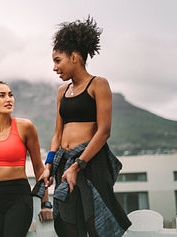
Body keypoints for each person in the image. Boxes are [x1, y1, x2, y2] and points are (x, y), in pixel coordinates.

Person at [38, 18, 131, 237]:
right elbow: (57, 133)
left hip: (90, 164)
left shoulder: (98, 84)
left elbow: (104, 131)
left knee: (95, 223)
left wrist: (78, 165)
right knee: (68, 224)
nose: (54, 67)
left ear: (74, 57)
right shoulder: (62, 91)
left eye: (58, 60)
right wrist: (49, 165)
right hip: (64, 164)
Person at [0, 81, 53, 237]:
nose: (9, 99)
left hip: (18, 196)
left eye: (10, 95)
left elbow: (39, 167)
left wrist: (45, 204)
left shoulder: (26, 126)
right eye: (2, 95)